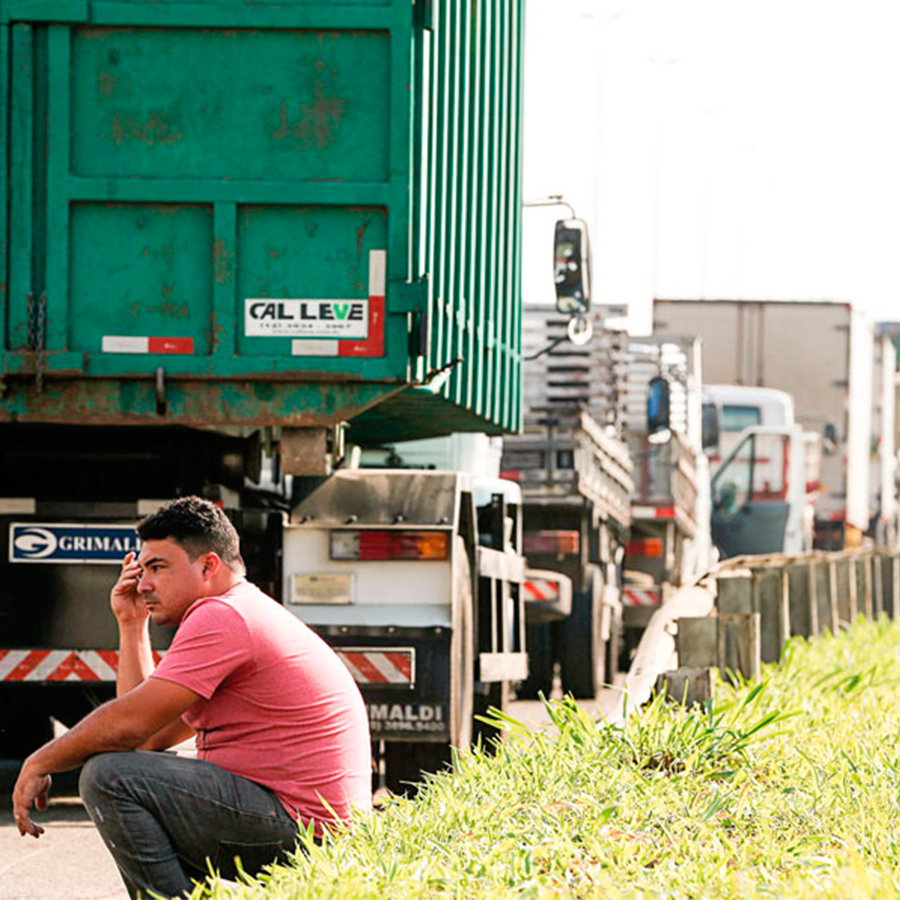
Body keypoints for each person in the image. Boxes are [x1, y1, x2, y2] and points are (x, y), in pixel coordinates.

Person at [12, 496, 372, 899]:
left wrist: (39, 760)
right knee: (119, 770)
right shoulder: (237, 610)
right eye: (142, 569)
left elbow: (128, 727)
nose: (143, 583)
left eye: (158, 568)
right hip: (306, 825)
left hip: (303, 829)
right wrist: (132, 625)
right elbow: (146, 738)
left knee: (109, 777)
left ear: (208, 566)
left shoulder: (222, 615)